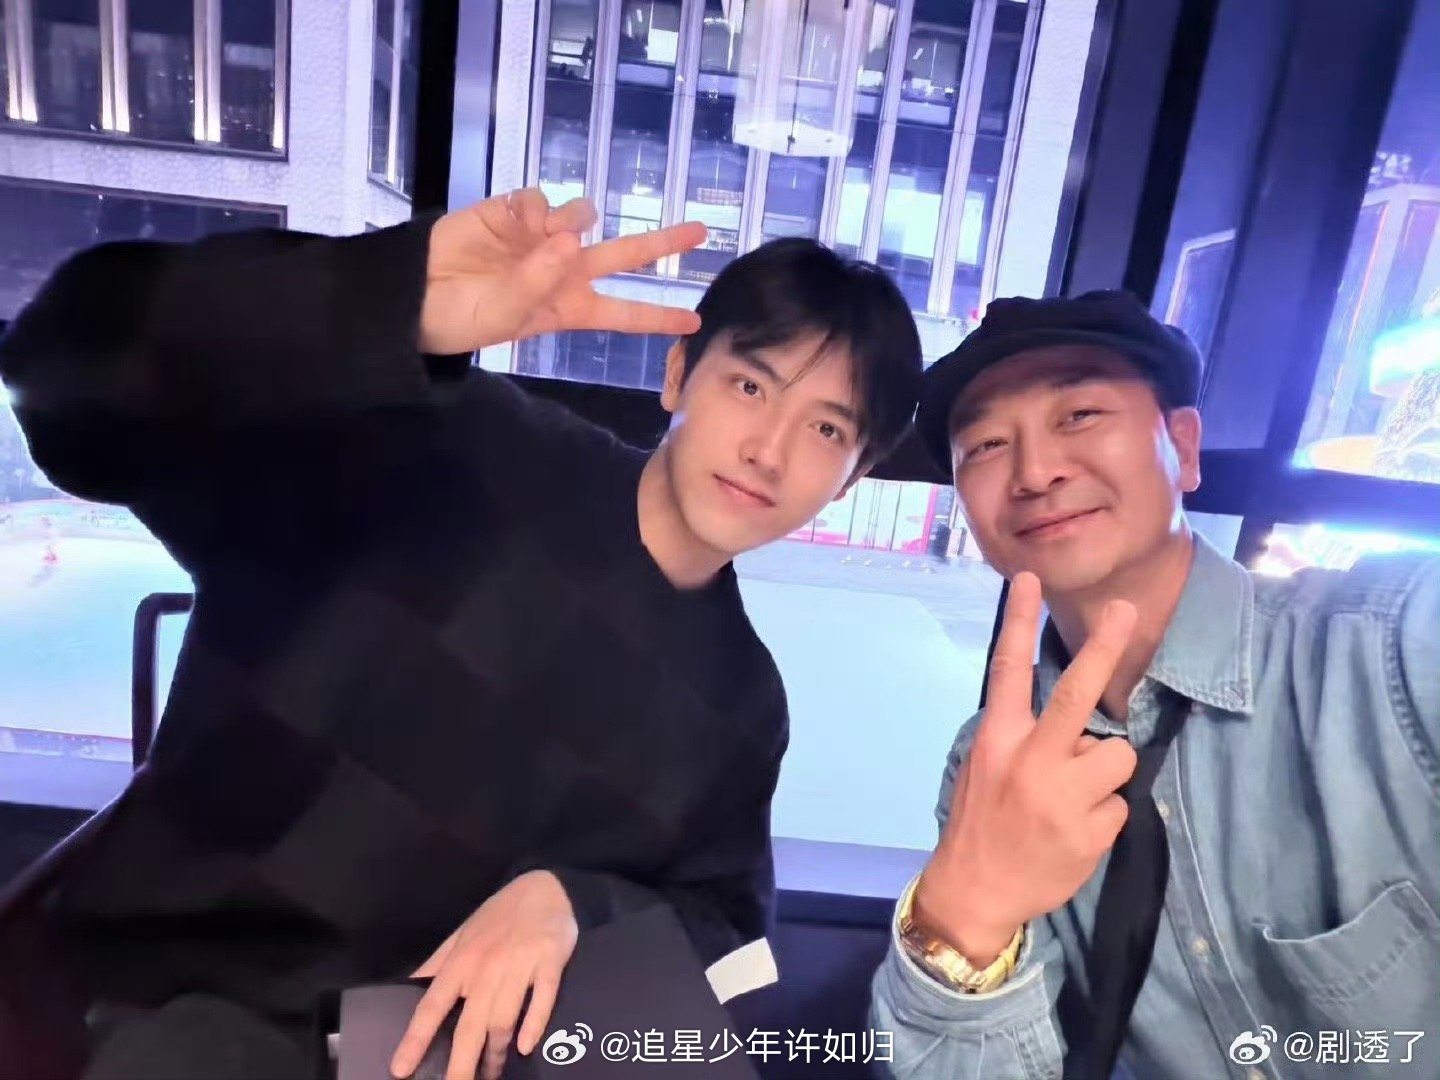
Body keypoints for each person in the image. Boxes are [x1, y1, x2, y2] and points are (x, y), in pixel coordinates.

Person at [0, 188, 923, 1080]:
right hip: (194, 1007)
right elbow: (62, 379)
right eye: (751, 384)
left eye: (826, 429)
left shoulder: (741, 703)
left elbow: (724, 932)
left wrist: (573, 904)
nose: (769, 450)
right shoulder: (446, 444)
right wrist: (372, 296)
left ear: (852, 478)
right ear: (679, 374)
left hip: (428, 1054)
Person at [869, 290, 1440, 1079]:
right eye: (987, 445)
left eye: (1080, 415)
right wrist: (964, 914)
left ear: (1184, 447)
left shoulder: (1393, 642)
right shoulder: (993, 761)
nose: (1035, 471)